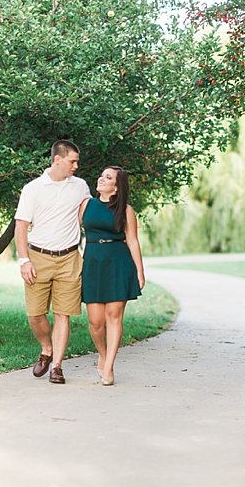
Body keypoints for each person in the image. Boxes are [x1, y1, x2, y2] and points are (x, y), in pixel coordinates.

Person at [15, 140, 91, 384]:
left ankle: (57, 366)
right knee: (35, 315)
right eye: (72, 161)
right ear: (57, 160)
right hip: (38, 257)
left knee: (63, 314)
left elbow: (85, 216)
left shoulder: (80, 187)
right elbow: (21, 226)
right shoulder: (33, 189)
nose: (76, 166)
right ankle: (46, 349)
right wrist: (24, 260)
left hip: (69, 258)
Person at [79, 165, 145, 386]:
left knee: (113, 317)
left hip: (118, 262)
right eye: (102, 175)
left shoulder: (126, 210)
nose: (101, 179)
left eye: (108, 178)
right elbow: (73, 232)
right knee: (95, 322)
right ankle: (103, 354)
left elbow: (133, 241)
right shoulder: (86, 205)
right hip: (93, 263)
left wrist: (140, 271)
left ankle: (108, 368)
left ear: (116, 188)